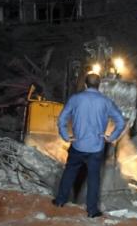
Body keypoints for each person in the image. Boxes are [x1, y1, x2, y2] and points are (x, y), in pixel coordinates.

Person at [53, 73, 126, 218]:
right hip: (96, 148)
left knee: (69, 172)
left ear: (85, 85)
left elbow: (61, 119)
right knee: (94, 178)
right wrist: (111, 137)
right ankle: (92, 211)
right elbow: (121, 122)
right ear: (99, 85)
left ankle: (60, 201)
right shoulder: (106, 101)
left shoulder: (75, 99)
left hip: (78, 145)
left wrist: (66, 136)